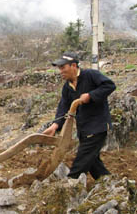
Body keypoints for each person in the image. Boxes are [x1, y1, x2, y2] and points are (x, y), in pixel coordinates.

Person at [43, 51, 116, 180]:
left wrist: (91, 96)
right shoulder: (67, 87)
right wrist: (55, 125)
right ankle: (107, 182)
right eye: (59, 68)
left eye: (63, 67)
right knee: (93, 162)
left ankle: (69, 184)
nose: (61, 71)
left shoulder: (91, 75)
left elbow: (110, 85)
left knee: (82, 159)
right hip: (84, 129)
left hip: (98, 126)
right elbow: (63, 107)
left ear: (73, 66)